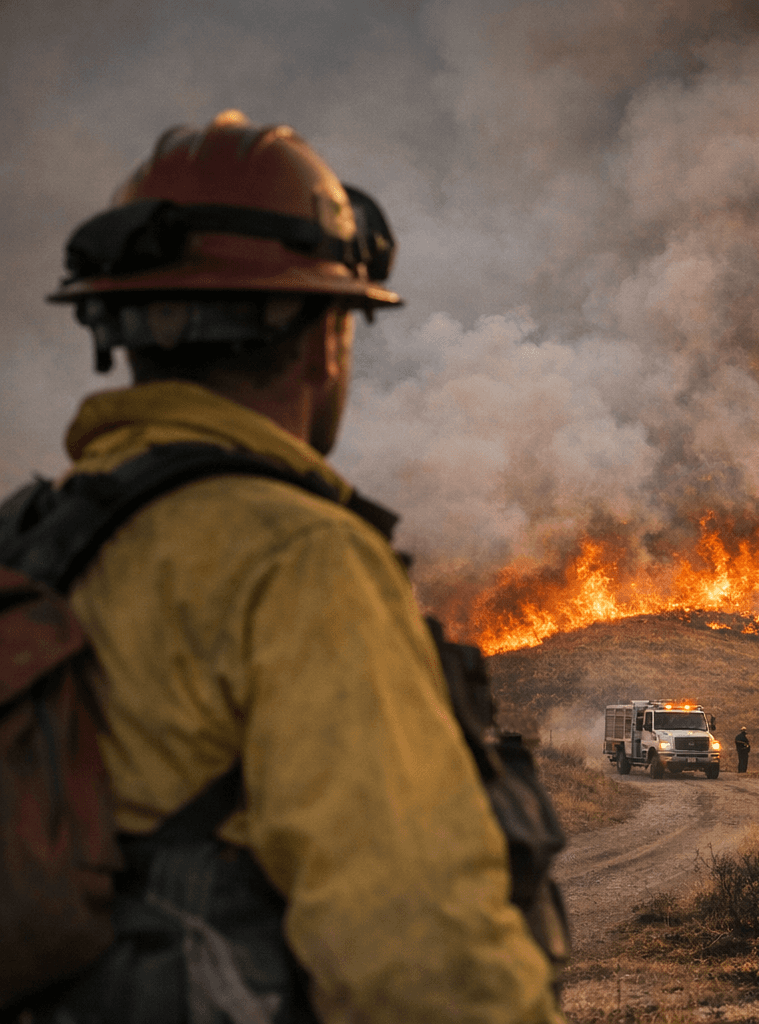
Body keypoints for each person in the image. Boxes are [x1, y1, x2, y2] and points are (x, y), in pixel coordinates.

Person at [21, 111, 565, 1023]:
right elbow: (420, 959)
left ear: (123, 332)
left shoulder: (35, 540)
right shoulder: (298, 558)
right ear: (323, 340)